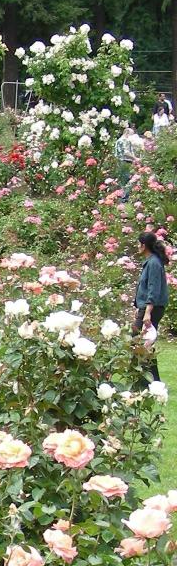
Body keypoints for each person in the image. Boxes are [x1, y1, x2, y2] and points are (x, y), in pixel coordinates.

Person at [132, 231, 170, 384]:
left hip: (152, 308)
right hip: (148, 307)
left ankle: (147, 381)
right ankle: (151, 381)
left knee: (140, 342)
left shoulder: (153, 263)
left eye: (138, 243)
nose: (137, 246)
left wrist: (147, 312)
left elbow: (153, 289)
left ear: (143, 245)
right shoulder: (151, 261)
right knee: (144, 343)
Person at [115, 120, 146, 199]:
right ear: (127, 133)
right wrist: (135, 158)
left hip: (119, 161)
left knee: (122, 180)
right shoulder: (125, 140)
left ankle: (121, 197)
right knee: (128, 180)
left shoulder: (118, 140)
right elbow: (126, 152)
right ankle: (124, 198)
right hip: (126, 161)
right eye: (131, 135)